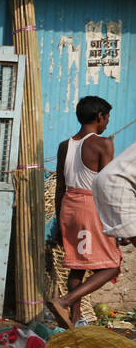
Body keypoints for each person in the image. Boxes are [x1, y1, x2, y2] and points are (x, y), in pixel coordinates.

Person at [48, 97, 122, 328]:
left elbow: (60, 187)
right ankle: (65, 301)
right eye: (107, 118)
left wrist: (60, 222)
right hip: (91, 207)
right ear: (100, 116)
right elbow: (107, 186)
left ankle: (74, 320)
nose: (107, 123)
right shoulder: (103, 144)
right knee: (112, 265)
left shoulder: (64, 145)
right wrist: (117, 224)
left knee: (78, 266)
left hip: (69, 207)